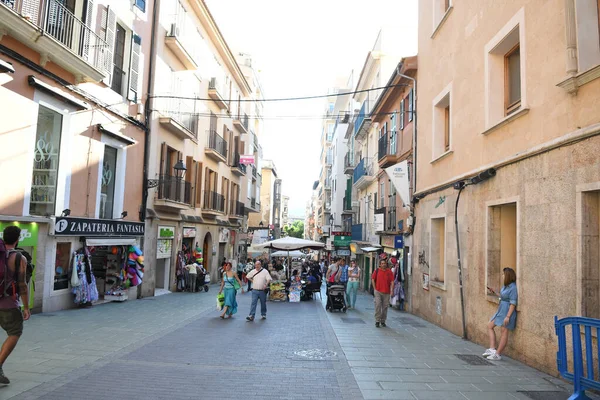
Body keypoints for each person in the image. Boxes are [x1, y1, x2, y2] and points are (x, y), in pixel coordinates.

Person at [0, 226, 30, 384]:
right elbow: (22, 285)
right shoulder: (18, 258)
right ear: (18, 238)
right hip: (8, 304)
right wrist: (26, 307)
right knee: (14, 332)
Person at [483, 268, 518, 361]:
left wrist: (508, 316)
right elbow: (503, 297)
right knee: (490, 325)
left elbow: (513, 303)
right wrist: (495, 292)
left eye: (503, 274)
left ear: (507, 276)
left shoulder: (513, 288)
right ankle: (492, 349)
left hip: (507, 311)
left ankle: (497, 354)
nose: (502, 276)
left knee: (504, 331)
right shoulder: (506, 286)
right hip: (501, 310)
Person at [371, 259, 394, 328]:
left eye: (385, 263)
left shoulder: (389, 272)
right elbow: (372, 279)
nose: (384, 264)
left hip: (386, 292)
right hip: (378, 291)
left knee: (385, 307)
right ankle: (377, 321)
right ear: (380, 264)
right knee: (378, 305)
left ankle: (383, 321)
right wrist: (375, 288)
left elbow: (392, 281)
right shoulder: (377, 271)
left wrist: (392, 290)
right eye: (382, 263)